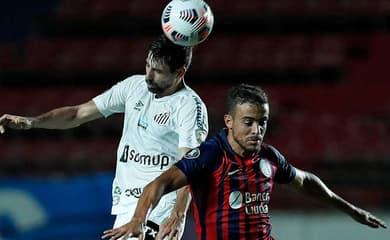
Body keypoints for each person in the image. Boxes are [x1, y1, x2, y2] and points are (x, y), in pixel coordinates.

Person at [102, 83, 387, 240]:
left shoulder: (269, 157)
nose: (257, 130)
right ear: (229, 121)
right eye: (248, 122)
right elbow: (159, 183)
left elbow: (306, 182)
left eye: (262, 123)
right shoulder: (211, 155)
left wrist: (349, 209)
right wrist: (139, 220)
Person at [0, 34, 209, 240]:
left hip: (160, 209)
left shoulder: (189, 107)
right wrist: (32, 122)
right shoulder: (134, 87)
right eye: (147, 66)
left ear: (180, 73)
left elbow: (190, 166)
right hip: (127, 206)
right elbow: (78, 113)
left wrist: (178, 215)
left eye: (158, 71)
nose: (148, 76)